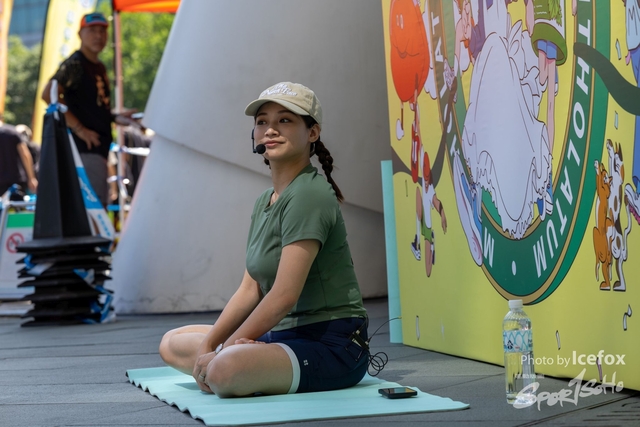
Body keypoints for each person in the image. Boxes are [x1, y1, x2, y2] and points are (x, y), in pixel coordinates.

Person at [159, 82, 369, 398]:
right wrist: (209, 346)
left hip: (331, 346)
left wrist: (224, 350)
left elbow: (283, 295)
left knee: (224, 369)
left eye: (284, 120)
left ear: (312, 133)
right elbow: (250, 289)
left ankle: (237, 364)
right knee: (172, 344)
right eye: (262, 121)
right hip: (279, 336)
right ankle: (240, 362)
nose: (270, 129)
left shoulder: (309, 194)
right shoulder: (265, 201)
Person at [41, 12, 135, 207]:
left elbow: (92, 107)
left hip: (98, 151)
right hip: (83, 151)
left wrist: (115, 117)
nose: (98, 36)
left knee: (97, 206)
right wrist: (80, 129)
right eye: (92, 31)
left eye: (102, 31)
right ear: (80, 34)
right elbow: (48, 94)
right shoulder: (75, 63)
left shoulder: (98, 66)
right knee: (92, 210)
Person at [0, 117, 38, 196]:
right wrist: (31, 178)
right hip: (16, 179)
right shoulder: (12, 132)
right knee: (17, 202)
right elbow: (25, 154)